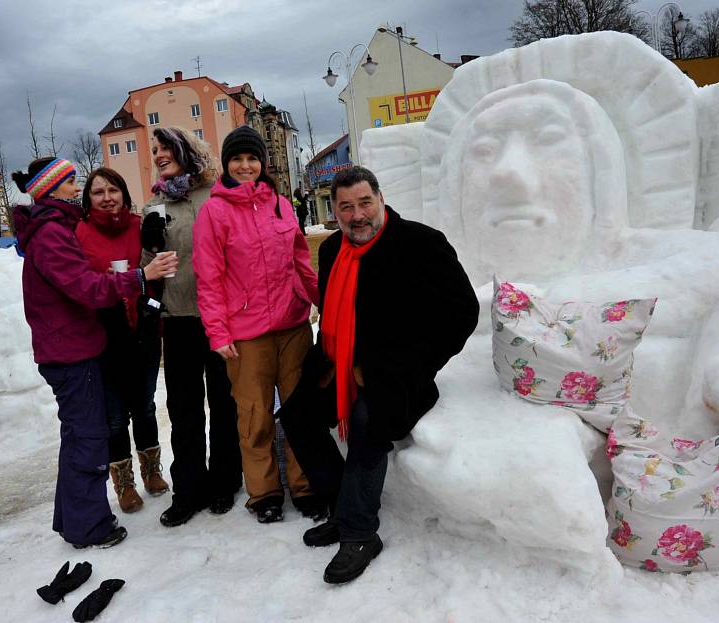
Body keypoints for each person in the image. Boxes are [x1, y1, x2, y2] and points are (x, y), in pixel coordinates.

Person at [278, 166, 479, 584]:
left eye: (364, 203)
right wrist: (330, 363)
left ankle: (360, 533)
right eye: (345, 207)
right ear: (333, 211)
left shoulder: (420, 243)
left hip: (401, 376)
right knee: (297, 416)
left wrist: (410, 366)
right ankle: (341, 507)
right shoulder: (333, 249)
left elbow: (462, 313)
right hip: (340, 364)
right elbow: (333, 317)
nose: (357, 215)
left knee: (371, 423)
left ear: (381, 199)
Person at [12, 157, 178, 548]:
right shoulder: (53, 232)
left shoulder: (53, 228)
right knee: (89, 439)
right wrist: (140, 276)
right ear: (55, 188)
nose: (78, 189)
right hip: (71, 351)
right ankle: (88, 527)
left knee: (80, 437)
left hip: (79, 344)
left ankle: (73, 519)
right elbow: (86, 288)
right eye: (73, 183)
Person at [193, 125, 325, 523]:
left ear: (263, 164)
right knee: (255, 415)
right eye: (238, 159)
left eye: (253, 159)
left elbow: (301, 264)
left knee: (302, 411)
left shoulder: (282, 205)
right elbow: (209, 278)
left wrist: (325, 304)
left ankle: (305, 486)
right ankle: (264, 493)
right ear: (227, 164)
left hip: (292, 326)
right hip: (245, 336)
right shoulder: (214, 212)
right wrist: (218, 333)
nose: (246, 166)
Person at [140, 126, 243, 527]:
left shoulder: (216, 197)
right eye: (155, 150)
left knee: (223, 402)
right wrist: (147, 242)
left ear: (185, 151)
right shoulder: (153, 205)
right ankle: (187, 490)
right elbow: (149, 267)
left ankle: (223, 482)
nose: (159, 154)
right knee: (183, 410)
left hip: (218, 319)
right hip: (177, 319)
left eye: (166, 147)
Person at [76, 168, 170, 513]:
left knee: (144, 407)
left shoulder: (138, 226)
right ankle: (125, 484)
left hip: (142, 330)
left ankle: (151, 471)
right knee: (114, 417)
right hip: (104, 334)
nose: (106, 197)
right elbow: (79, 283)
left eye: (112, 189)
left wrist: (151, 299)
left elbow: (157, 267)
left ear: (123, 194)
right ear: (88, 200)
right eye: (98, 192)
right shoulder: (80, 233)